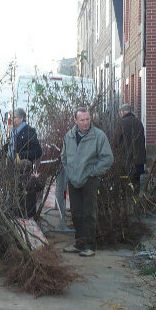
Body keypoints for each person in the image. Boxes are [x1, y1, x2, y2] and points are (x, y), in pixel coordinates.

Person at [60, 107, 113, 257]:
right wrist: (69, 172)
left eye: (88, 119)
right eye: (82, 120)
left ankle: (90, 246)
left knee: (89, 213)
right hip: (73, 179)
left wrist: (93, 172)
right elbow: (64, 157)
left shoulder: (98, 136)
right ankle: (79, 243)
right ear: (75, 121)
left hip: (89, 180)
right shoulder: (69, 136)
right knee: (76, 213)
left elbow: (108, 158)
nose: (85, 123)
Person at [111, 103, 146, 189]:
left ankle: (127, 200)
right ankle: (136, 200)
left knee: (125, 184)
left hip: (125, 161)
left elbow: (115, 141)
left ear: (122, 112)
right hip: (139, 161)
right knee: (136, 183)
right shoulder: (139, 123)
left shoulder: (121, 123)